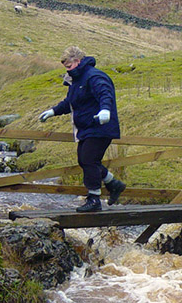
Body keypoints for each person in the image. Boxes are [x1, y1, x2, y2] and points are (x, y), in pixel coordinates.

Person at [39, 46, 126, 212]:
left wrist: (105, 110)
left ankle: (94, 199)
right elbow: (70, 102)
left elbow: (105, 94)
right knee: (85, 160)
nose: (68, 70)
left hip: (100, 126)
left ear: (77, 61)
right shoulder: (77, 79)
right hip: (87, 127)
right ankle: (114, 184)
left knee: (88, 160)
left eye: (69, 66)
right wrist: (53, 111)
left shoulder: (94, 76)